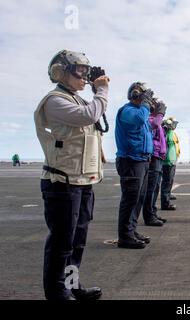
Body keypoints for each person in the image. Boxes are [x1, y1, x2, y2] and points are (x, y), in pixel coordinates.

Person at [34, 50, 109, 300]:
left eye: (87, 71)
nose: (85, 76)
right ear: (61, 71)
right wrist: (101, 91)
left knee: (77, 240)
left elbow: (93, 120)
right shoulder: (55, 100)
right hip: (62, 182)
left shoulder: (78, 100)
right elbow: (87, 116)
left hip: (81, 182)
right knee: (62, 242)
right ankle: (57, 292)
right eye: (80, 70)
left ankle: (72, 285)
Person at [115, 82, 154, 249]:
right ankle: (125, 236)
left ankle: (131, 230)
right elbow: (138, 120)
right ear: (136, 94)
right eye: (146, 96)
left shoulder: (141, 112)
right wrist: (145, 103)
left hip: (142, 160)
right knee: (130, 199)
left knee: (139, 198)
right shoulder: (128, 110)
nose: (148, 100)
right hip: (131, 160)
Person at [140, 99, 168, 226]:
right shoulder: (150, 118)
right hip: (154, 157)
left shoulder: (156, 120)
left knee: (155, 187)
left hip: (159, 157)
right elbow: (155, 124)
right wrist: (160, 113)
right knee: (150, 189)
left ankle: (153, 212)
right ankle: (149, 216)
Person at [159, 117, 180, 210]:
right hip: (167, 162)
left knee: (169, 181)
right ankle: (165, 203)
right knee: (167, 182)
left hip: (171, 161)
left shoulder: (170, 133)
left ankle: (167, 195)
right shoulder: (166, 133)